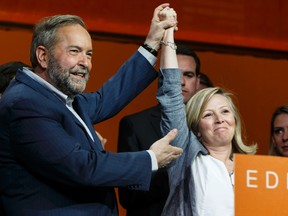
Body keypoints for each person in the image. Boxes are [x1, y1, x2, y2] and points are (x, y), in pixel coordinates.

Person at [0, 3, 183, 216]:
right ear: (43, 56)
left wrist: (151, 43)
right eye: (74, 51)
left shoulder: (58, 98)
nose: (85, 62)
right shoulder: (25, 104)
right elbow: (82, 167)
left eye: (89, 54)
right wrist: (150, 158)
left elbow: (106, 98)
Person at [157, 8, 257, 215]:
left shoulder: (254, 171)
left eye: (225, 112)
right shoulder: (186, 160)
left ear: (235, 121)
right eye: (208, 114)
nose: (220, 119)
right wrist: (168, 35)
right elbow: (171, 97)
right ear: (197, 128)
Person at [117, 43, 201, 215]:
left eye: (189, 75)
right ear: (163, 77)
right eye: (174, 73)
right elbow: (127, 196)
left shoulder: (207, 125)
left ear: (197, 81)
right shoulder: (135, 124)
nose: (181, 81)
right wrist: (174, 172)